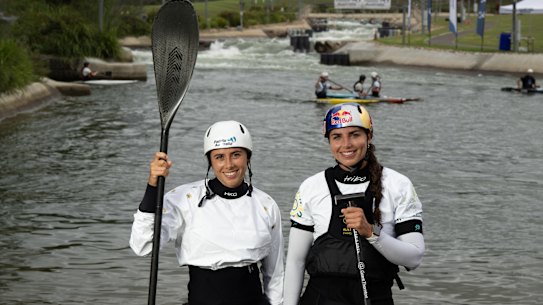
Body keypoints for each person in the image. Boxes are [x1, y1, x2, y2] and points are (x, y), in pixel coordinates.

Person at [130, 120, 284, 305]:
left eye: (236, 155)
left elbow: (275, 274)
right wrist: (152, 185)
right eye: (219, 157)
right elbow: (143, 245)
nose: (229, 165)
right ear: (210, 161)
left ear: (248, 157)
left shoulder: (266, 205)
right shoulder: (184, 198)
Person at [284, 103, 425, 305]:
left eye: (355, 134)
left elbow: (414, 258)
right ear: (329, 141)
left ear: (369, 136)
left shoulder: (398, 185)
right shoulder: (311, 187)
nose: (346, 144)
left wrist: (371, 233)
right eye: (337, 137)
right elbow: (295, 262)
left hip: (376, 297)